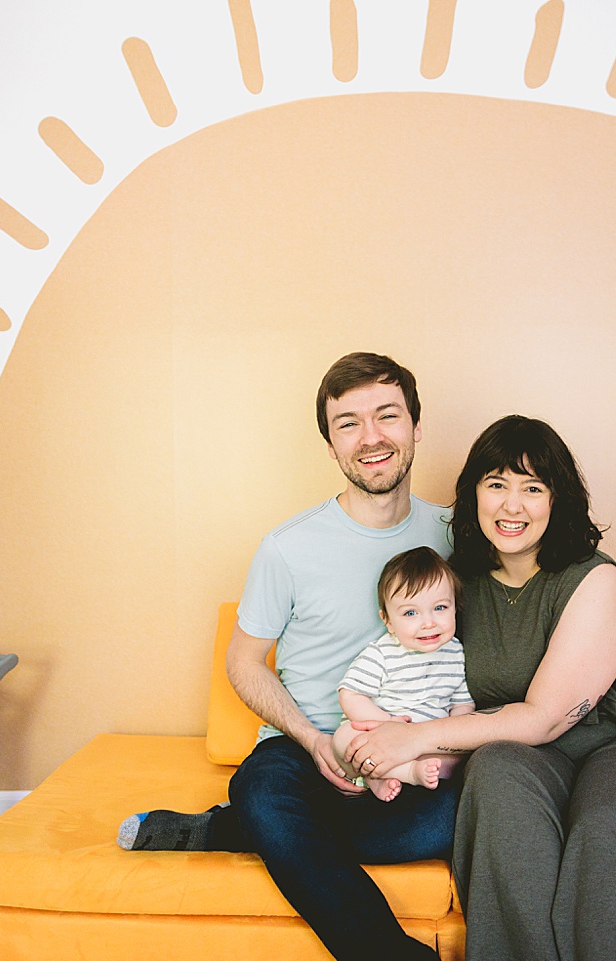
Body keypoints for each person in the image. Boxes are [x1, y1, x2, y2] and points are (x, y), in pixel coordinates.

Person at [117, 353, 455, 961]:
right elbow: (244, 662)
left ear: (416, 426)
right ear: (330, 444)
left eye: (387, 415)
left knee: (450, 821)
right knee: (265, 791)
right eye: (348, 423)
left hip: (416, 755)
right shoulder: (287, 547)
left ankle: (232, 829)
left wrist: (428, 744)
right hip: (304, 753)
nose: (371, 437)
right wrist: (311, 739)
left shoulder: (458, 536)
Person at [342, 414, 616, 961]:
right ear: (473, 496)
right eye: (496, 485)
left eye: (532, 488)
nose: (511, 506)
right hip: (527, 756)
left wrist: (413, 739)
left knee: (604, 838)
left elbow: (542, 717)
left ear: (556, 500)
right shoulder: (452, 585)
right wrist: (363, 738)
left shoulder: (594, 578)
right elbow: (408, 666)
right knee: (494, 783)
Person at [332, 546, 475, 802]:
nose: (428, 622)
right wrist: (387, 724)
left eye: (440, 608)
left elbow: (462, 704)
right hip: (379, 738)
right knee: (343, 739)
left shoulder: (455, 652)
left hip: (428, 743)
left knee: (462, 756)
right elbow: (351, 695)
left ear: (456, 607)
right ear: (387, 620)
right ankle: (399, 774)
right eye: (411, 613)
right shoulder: (383, 653)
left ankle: (401, 772)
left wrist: (452, 734)